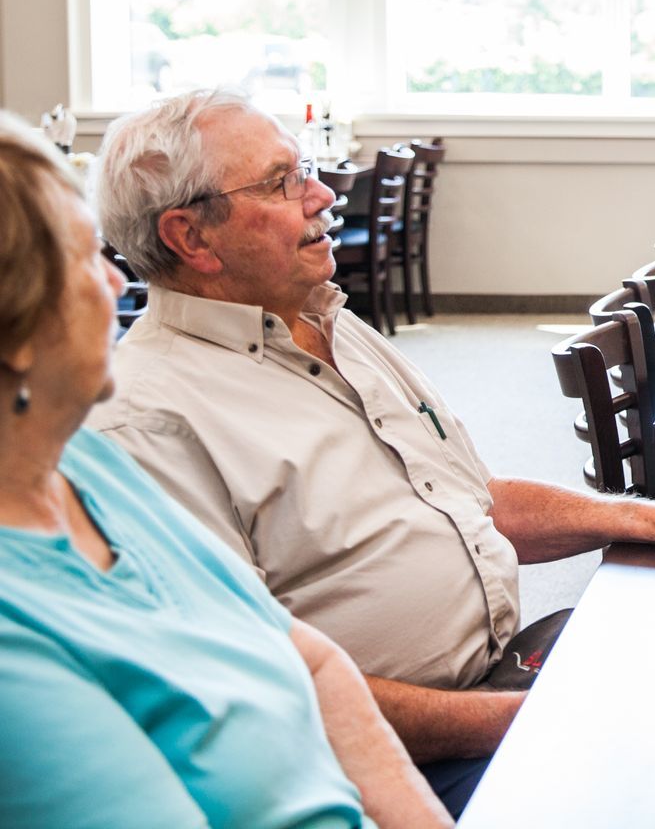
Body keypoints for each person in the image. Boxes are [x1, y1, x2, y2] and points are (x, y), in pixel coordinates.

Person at [87, 89, 655, 815]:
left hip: (498, 676)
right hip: (387, 767)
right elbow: (252, 690)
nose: (323, 194)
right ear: (190, 237)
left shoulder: (327, 323)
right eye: (281, 182)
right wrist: (522, 722)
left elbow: (471, 501)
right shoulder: (148, 419)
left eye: (308, 169)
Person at [0, 112, 449, 828]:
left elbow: (312, 663)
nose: (118, 286)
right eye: (87, 257)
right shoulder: (16, 630)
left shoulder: (80, 462)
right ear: (14, 329)